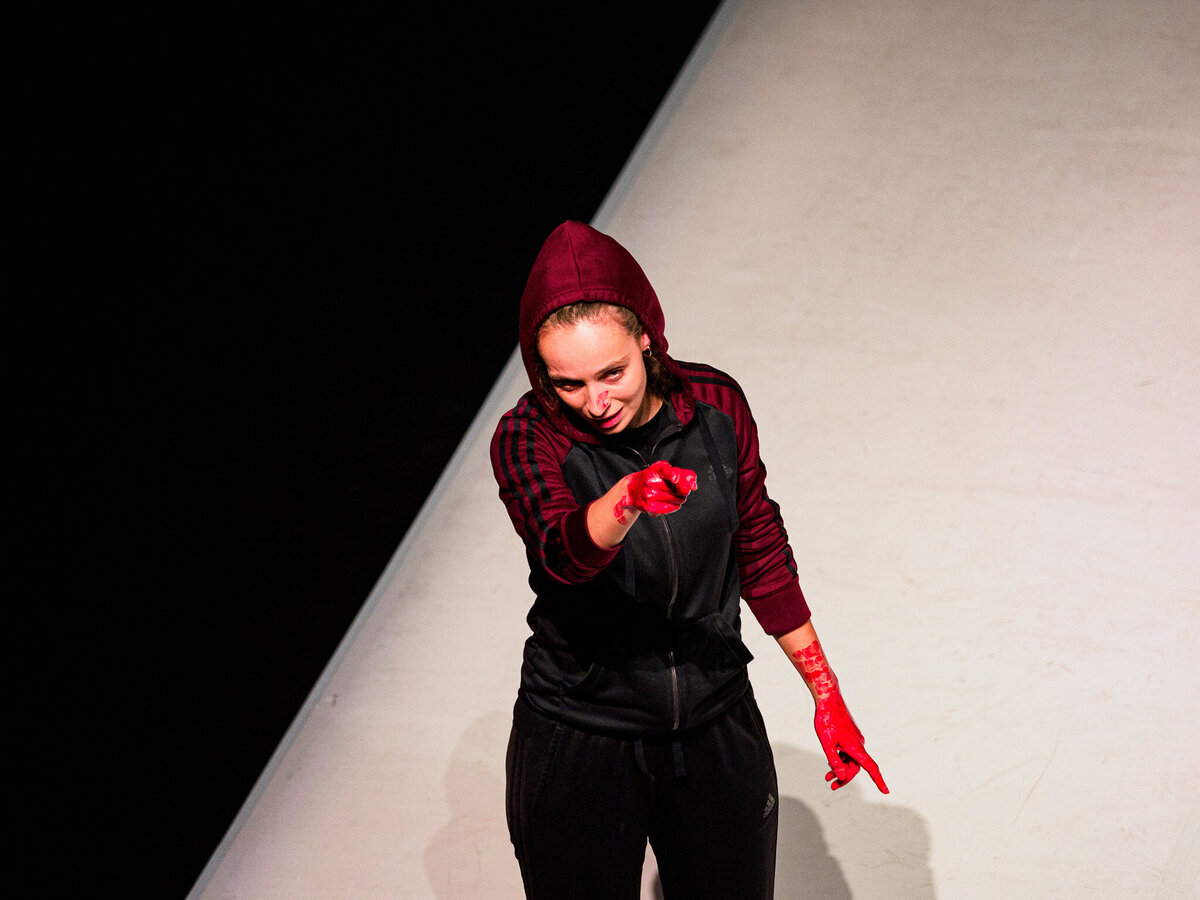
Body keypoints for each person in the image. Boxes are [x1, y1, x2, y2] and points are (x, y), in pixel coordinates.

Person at [490, 221, 887, 900]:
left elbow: (759, 546)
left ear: (647, 336)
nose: (596, 402)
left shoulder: (716, 406)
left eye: (611, 372)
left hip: (714, 719)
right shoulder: (528, 437)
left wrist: (827, 692)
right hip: (584, 731)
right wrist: (624, 502)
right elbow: (561, 554)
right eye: (569, 384)